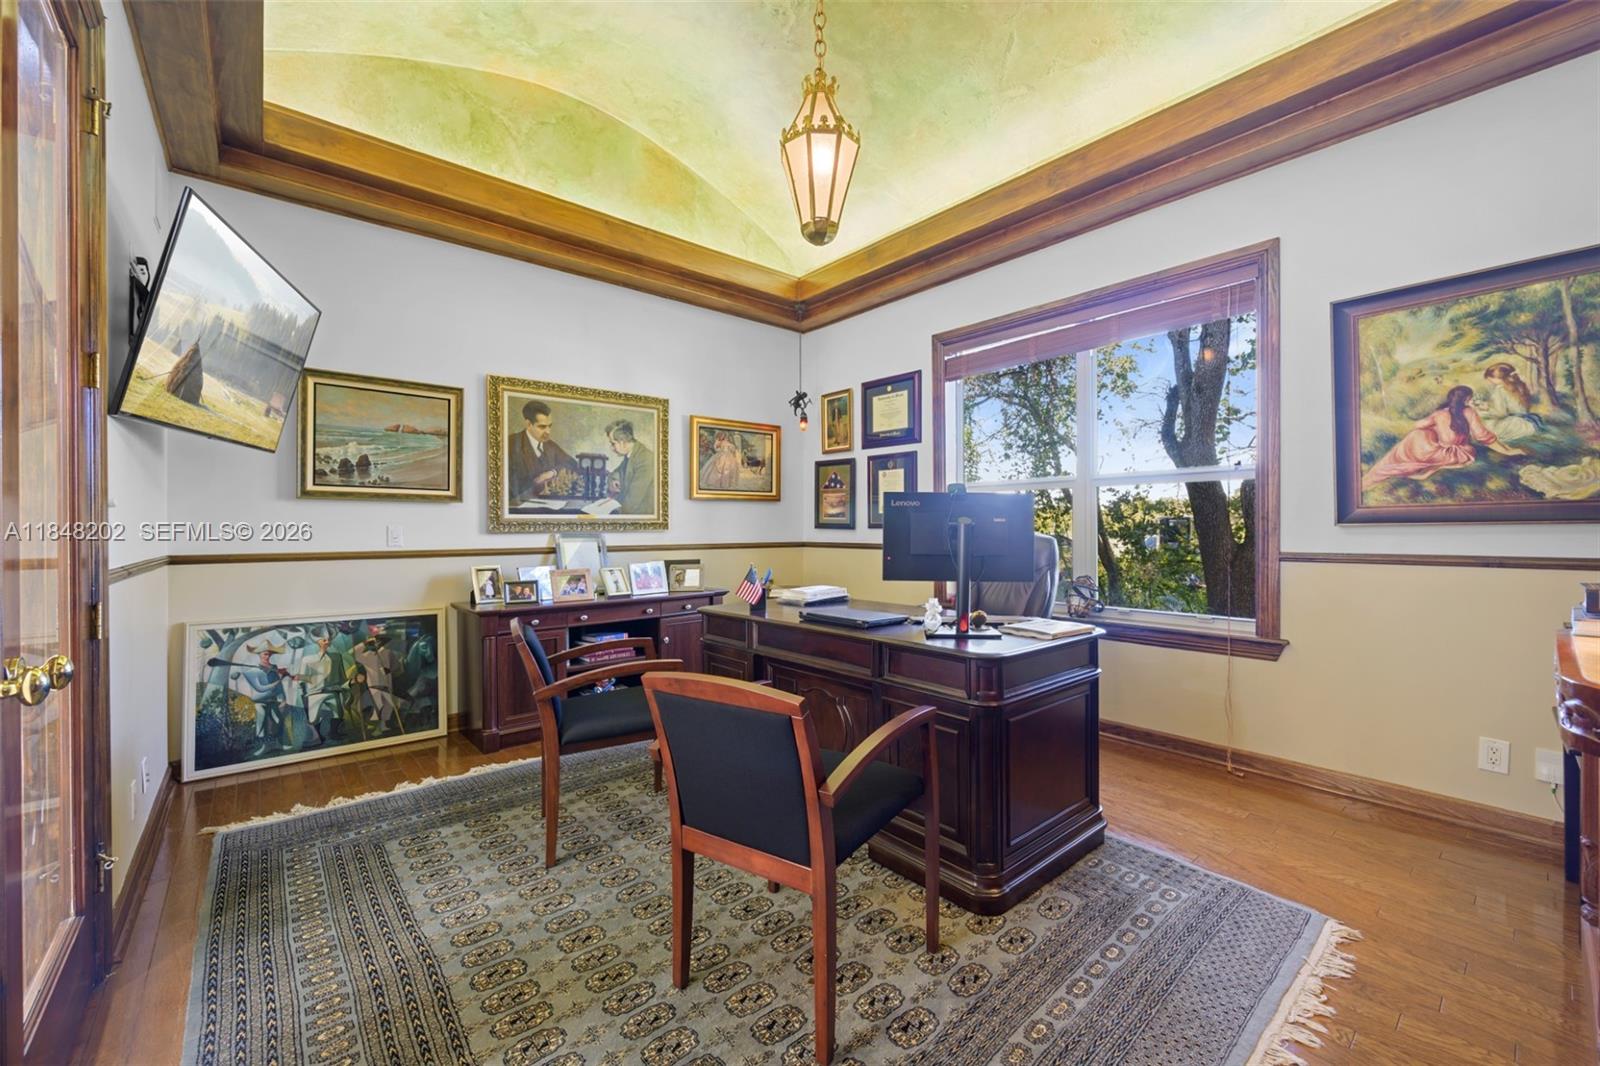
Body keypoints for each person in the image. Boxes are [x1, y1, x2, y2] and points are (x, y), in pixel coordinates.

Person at [1362, 385, 1526, 488]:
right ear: (1467, 399)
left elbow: (1417, 425)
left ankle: (1395, 464)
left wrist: (1435, 425)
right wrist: (1507, 450)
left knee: (1418, 434)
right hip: (1454, 454)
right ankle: (1425, 468)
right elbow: (1484, 437)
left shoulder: (1440, 413)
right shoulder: (1469, 412)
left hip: (1433, 451)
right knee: (1422, 434)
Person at [506, 399, 578, 503]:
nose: (548, 432)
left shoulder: (549, 445)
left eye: (550, 426)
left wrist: (552, 473)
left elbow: (571, 463)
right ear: (528, 424)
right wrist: (536, 481)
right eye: (542, 427)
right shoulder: (510, 443)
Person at [234, 643, 289, 757]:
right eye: (265, 654)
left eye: (269, 654)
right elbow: (259, 688)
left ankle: (279, 744)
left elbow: (279, 687)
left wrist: (283, 698)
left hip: (273, 700)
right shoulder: (254, 670)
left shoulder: (274, 668)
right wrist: (279, 681)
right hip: (260, 701)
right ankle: (264, 747)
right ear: (259, 655)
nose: (267, 656)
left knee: (278, 721)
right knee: (262, 722)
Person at [1478, 363, 1542, 442]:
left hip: (1516, 424)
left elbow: (1501, 413)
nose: (1489, 381)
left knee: (1486, 427)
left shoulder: (1500, 389)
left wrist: (1485, 411)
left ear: (1499, 378)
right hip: (1531, 423)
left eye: (1491, 378)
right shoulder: (1520, 385)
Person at [605, 419, 656, 515]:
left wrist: (609, 514)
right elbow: (615, 473)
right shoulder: (632, 454)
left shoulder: (646, 459)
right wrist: (614, 480)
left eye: (613, 444)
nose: (612, 448)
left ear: (622, 442)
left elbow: (632, 501)